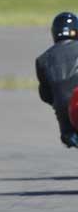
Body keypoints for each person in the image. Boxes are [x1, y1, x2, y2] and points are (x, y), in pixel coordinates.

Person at [36, 12, 78, 148]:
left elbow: (45, 95)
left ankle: (69, 135)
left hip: (66, 111)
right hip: (72, 107)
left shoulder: (42, 60)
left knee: (68, 134)